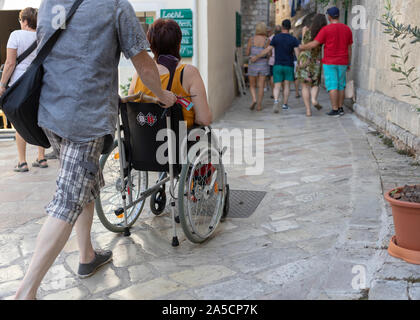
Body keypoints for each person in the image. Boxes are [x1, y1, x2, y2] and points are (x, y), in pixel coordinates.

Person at [14, 0, 177, 300]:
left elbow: (63, 53)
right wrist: (162, 94)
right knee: (68, 199)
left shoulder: (50, 2)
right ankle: (26, 292)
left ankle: (87, 255)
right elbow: (143, 63)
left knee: (83, 183)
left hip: (49, 112)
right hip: (84, 120)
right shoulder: (115, 6)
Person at [129, 19, 212, 128]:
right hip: (179, 141)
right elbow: (203, 119)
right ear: (179, 44)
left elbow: (130, 112)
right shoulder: (189, 73)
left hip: (142, 143)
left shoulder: (139, 75)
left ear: (151, 45)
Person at [0, 8, 48, 172]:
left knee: (19, 122)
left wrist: (2, 84)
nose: (20, 23)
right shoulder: (42, 36)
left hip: (19, 85)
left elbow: (10, 63)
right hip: (38, 84)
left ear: (25, 21)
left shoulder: (16, 35)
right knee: (39, 120)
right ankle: (41, 158)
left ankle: (22, 161)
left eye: (21, 20)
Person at [299, 7, 353, 117]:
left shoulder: (326, 30)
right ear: (338, 15)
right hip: (343, 61)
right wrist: (348, 62)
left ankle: (335, 109)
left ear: (329, 16)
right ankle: (341, 108)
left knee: (332, 85)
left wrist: (302, 47)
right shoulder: (347, 29)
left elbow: (314, 44)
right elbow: (349, 48)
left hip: (330, 61)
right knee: (341, 85)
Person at [251, 19, 300, 113]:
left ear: (282, 27)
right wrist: (299, 64)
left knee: (277, 86)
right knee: (286, 86)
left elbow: (267, 50)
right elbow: (297, 54)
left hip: (277, 65)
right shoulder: (293, 39)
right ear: (290, 28)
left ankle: (276, 101)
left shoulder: (276, 38)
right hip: (289, 65)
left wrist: (257, 56)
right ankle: (285, 105)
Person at [296, 14, 328, 117]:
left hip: (304, 58)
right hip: (316, 60)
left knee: (305, 86)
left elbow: (303, 43)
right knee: (315, 83)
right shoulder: (322, 32)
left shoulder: (305, 29)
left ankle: (308, 110)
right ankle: (314, 99)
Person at [246, 22, 271, 112]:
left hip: (253, 64)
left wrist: (254, 54)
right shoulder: (267, 40)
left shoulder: (251, 39)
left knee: (252, 85)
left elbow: (247, 53)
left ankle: (254, 99)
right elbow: (269, 54)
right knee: (261, 86)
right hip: (263, 64)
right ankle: (259, 105)